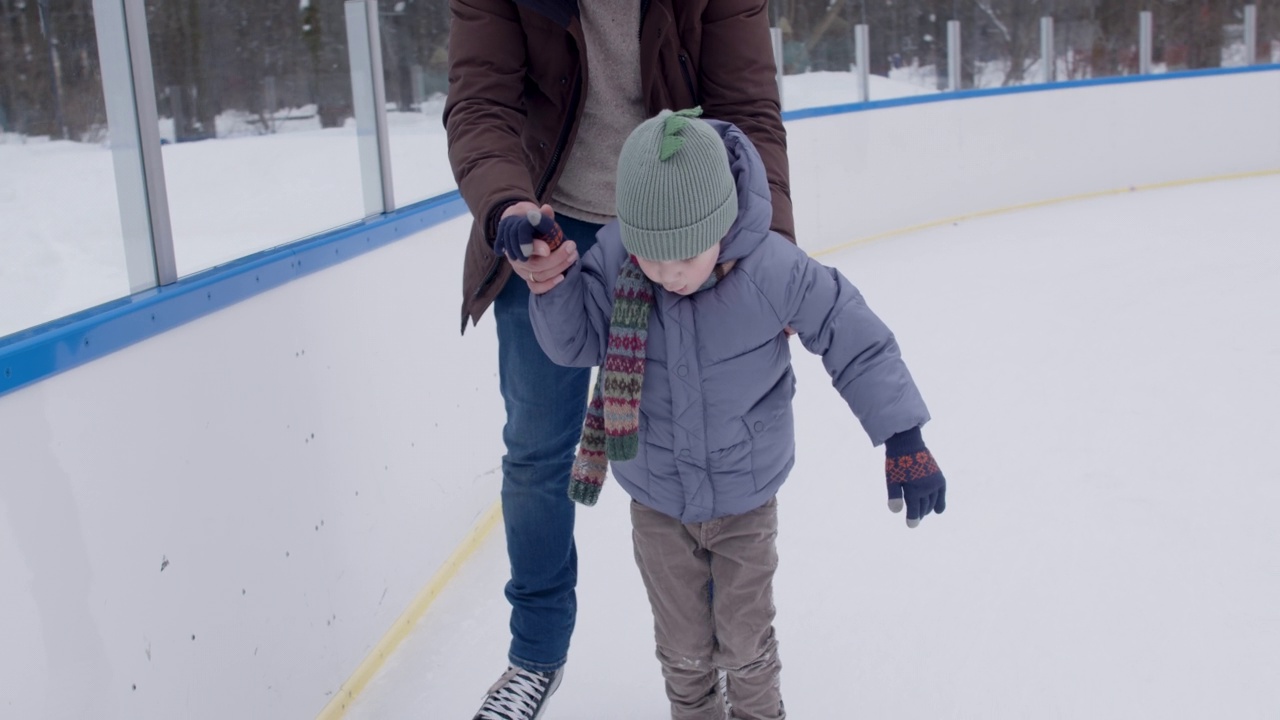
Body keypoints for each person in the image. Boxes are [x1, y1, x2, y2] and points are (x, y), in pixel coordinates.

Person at [518, 108, 947, 719]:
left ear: (720, 220)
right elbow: (575, 341)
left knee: (745, 643)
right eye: (653, 258)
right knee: (683, 649)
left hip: (746, 496)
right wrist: (553, 281)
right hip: (658, 499)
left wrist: (902, 433)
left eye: (684, 257)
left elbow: (851, 332)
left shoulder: (772, 268)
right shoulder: (617, 260)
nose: (669, 276)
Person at [443, 1, 795, 717]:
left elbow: (748, 108)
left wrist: (771, 247)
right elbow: (481, 102)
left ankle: (726, 651)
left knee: (709, 441)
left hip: (686, 223)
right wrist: (509, 209)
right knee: (538, 452)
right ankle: (534, 657)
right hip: (549, 227)